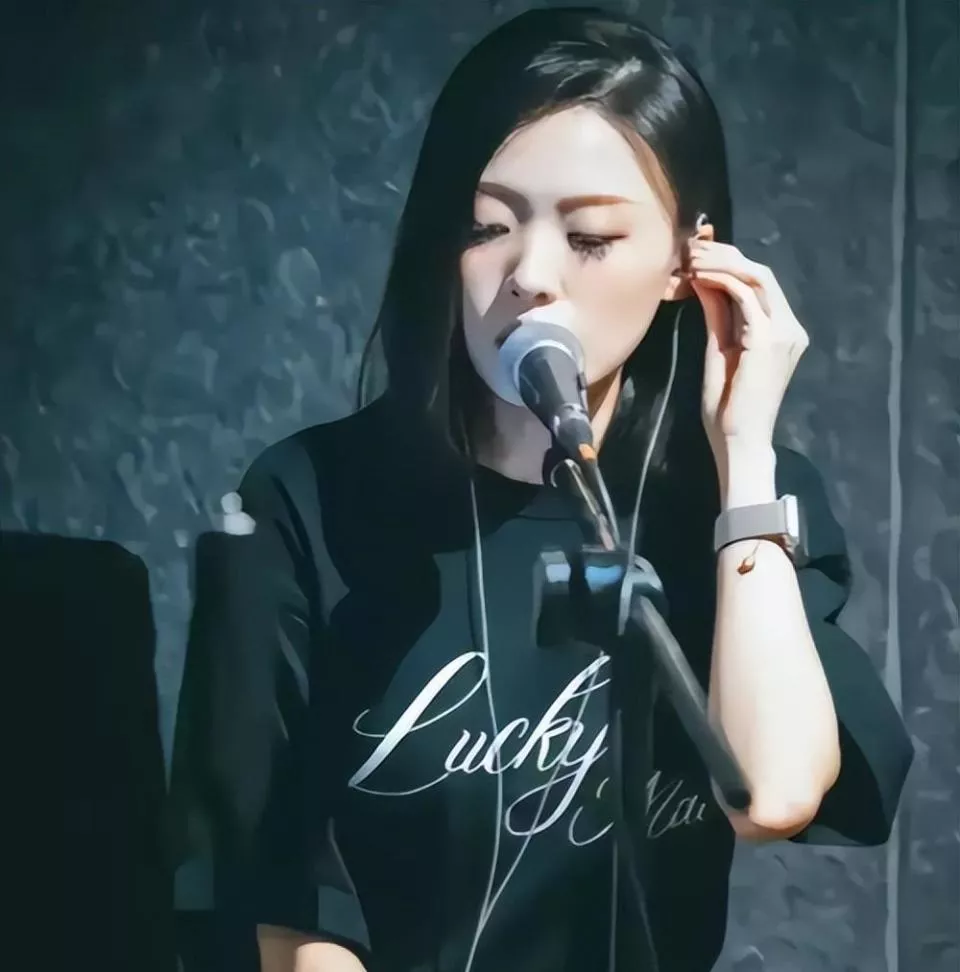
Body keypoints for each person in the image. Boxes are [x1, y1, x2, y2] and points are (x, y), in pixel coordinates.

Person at [168, 8, 913, 972]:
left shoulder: (744, 505)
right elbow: (276, 892)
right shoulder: (306, 498)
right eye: (488, 227)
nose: (530, 275)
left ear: (688, 262)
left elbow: (772, 794)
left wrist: (745, 455)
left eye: (591, 237)